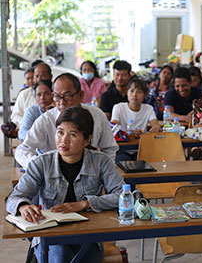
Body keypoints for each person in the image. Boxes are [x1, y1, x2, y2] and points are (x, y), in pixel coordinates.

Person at [7, 106, 125, 263]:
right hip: (50, 235)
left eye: (73, 134)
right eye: (60, 132)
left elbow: (123, 196)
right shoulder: (41, 163)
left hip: (89, 235)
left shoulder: (101, 161)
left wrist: (84, 204)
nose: (64, 140)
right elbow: (15, 197)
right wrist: (22, 206)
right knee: (59, 256)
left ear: (87, 139)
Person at [15, 73, 118, 169]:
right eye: (57, 97)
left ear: (80, 95)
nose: (62, 102)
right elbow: (22, 150)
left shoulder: (97, 115)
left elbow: (109, 148)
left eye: (67, 96)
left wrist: (104, 170)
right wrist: (40, 166)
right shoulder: (46, 120)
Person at [11, 61, 52, 127]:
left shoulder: (57, 94)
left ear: (50, 77)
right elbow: (15, 116)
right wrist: (28, 123)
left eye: (43, 76)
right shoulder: (24, 94)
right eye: (37, 76)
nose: (39, 79)